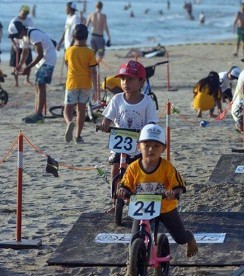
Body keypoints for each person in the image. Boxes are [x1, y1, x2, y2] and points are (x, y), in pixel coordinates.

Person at [117, 123, 198, 258]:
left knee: (180, 238)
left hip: (165, 206)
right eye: (146, 145)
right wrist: (122, 191)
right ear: (139, 147)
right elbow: (125, 184)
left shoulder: (166, 167)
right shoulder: (133, 167)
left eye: (156, 146)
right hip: (141, 208)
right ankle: (132, 265)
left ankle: (189, 237)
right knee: (135, 239)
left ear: (163, 148)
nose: (150, 149)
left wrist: (174, 192)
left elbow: (178, 185)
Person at [99, 60, 158, 199]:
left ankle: (141, 197)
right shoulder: (117, 99)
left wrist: (148, 132)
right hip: (119, 142)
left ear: (141, 82)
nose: (126, 82)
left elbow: (151, 122)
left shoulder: (147, 101)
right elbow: (107, 118)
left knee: (140, 171)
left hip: (139, 144)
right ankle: (115, 201)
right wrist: (104, 124)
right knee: (115, 170)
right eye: (123, 79)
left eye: (130, 79)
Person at [8, 21, 57, 124]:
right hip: (41, 60)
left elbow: (39, 54)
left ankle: (39, 114)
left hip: (48, 58)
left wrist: (28, 67)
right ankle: (37, 112)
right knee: (37, 85)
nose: (17, 37)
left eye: (17, 35)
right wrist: (21, 64)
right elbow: (25, 52)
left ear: (22, 30)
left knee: (41, 84)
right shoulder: (23, 37)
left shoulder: (33, 34)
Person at [63, 24, 98, 144]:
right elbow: (93, 72)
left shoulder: (69, 50)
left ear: (73, 36)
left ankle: (69, 123)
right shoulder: (90, 52)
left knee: (67, 109)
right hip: (86, 84)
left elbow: (68, 66)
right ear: (87, 37)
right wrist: (96, 89)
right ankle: (78, 136)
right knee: (81, 110)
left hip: (72, 82)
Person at [9, 5, 33, 87]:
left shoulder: (29, 20)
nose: (24, 15)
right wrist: (14, 45)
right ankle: (16, 82)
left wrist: (31, 43)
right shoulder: (14, 20)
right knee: (16, 64)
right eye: (23, 12)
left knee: (29, 62)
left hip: (26, 43)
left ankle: (27, 79)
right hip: (16, 44)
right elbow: (11, 35)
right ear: (20, 11)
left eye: (26, 13)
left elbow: (30, 32)